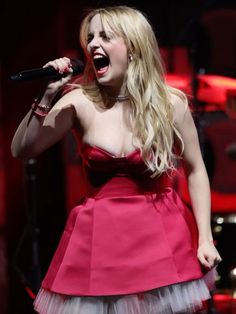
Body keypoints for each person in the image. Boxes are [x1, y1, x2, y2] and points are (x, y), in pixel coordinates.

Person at [11, 5, 222, 314]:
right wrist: (47, 96)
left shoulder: (169, 103)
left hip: (161, 233)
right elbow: (22, 150)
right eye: (91, 37)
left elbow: (196, 170)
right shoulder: (78, 101)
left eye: (106, 36)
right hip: (100, 239)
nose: (93, 44)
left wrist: (205, 238)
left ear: (134, 48)